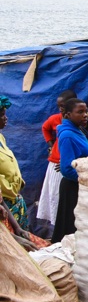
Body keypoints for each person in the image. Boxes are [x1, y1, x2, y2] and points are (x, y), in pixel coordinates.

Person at [52, 98, 88, 243]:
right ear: (68, 115)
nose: (85, 115)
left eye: (85, 111)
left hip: (81, 185)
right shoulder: (68, 135)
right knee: (70, 228)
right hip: (73, 188)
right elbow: (66, 168)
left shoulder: (80, 130)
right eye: (80, 112)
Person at [37, 89, 78, 235]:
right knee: (55, 196)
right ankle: (55, 230)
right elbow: (45, 128)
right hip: (56, 164)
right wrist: (50, 143)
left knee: (66, 199)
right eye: (59, 106)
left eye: (63, 105)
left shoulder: (79, 121)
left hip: (69, 166)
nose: (60, 109)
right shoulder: (56, 119)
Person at [0, 97, 28, 232]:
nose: (5, 118)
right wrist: (10, 189)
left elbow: (8, 161)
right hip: (5, 201)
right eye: (2, 115)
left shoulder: (1, 137)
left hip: (12, 200)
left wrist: (18, 181)